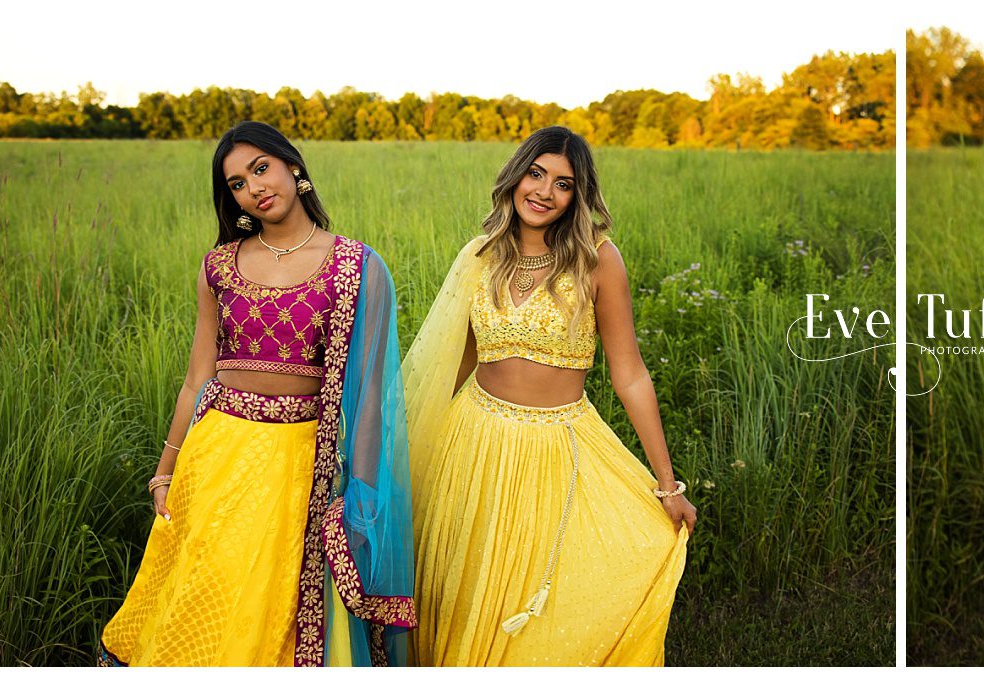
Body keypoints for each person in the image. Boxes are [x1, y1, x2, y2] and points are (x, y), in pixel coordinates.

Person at [99, 121, 415, 666]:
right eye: (238, 183)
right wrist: (165, 471)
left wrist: (362, 504)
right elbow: (197, 379)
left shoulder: (359, 267)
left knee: (270, 606)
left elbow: (369, 400)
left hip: (299, 466)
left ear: (293, 164)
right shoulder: (219, 266)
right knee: (205, 594)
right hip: (215, 458)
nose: (254, 188)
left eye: (261, 168)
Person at [403, 126, 694, 666]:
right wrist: (404, 440)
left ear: (577, 195)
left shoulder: (597, 260)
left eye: (563, 183)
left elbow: (630, 374)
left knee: (542, 585)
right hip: (473, 438)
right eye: (535, 174)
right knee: (466, 581)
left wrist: (666, 483)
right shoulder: (481, 255)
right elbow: (455, 360)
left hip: (557, 444)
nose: (543, 191)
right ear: (515, 177)